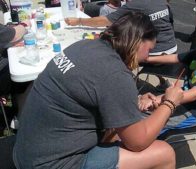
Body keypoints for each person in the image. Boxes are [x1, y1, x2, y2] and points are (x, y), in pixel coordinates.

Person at [13, 12, 183, 169]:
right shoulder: (115, 73)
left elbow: (93, 92)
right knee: (164, 153)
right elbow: (138, 142)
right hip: (51, 164)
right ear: (137, 42)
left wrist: (132, 100)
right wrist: (169, 103)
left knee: (116, 133)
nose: (147, 57)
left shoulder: (84, 46)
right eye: (149, 50)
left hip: (27, 152)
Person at [66, 0, 177, 89]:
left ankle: (120, 86)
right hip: (172, 48)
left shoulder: (136, 4)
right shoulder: (161, 1)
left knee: (117, 52)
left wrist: (78, 21)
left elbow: (105, 20)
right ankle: (163, 82)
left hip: (156, 53)